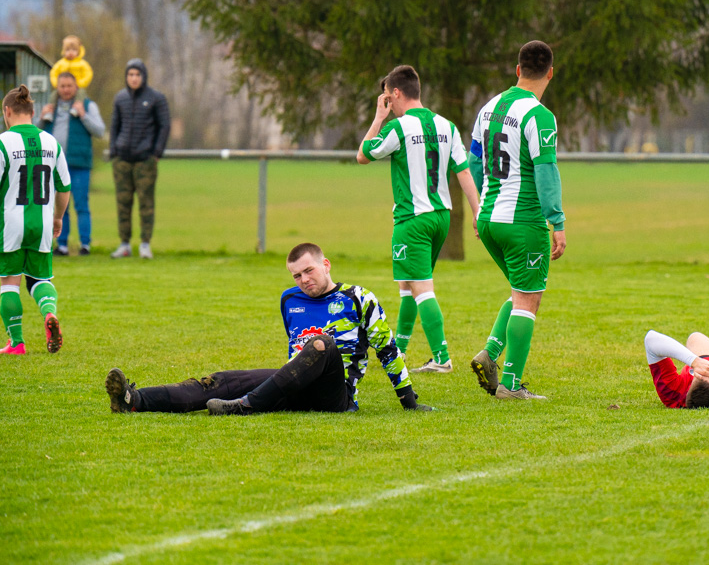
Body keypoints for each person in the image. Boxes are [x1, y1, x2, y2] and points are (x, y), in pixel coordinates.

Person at [105, 242, 433, 414]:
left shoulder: (359, 298)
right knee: (219, 381)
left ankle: (246, 407)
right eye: (297, 275)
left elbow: (388, 351)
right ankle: (134, 400)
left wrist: (409, 401)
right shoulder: (289, 300)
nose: (304, 280)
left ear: (325, 264)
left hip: (336, 395)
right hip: (292, 383)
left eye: (309, 271)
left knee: (321, 345)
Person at [356, 65, 480, 374]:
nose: (387, 103)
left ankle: (441, 358)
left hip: (412, 219)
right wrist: (477, 213)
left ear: (395, 93)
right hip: (441, 217)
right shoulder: (447, 126)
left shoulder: (398, 128)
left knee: (422, 286)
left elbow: (363, 154)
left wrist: (378, 119)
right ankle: (400, 349)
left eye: (387, 97)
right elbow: (463, 172)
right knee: (408, 282)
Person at [467, 40, 566, 400]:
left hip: (490, 219)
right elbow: (546, 171)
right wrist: (557, 221)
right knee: (529, 299)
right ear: (550, 73)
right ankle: (510, 384)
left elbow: (474, 162)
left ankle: (490, 354)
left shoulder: (488, 108)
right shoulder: (540, 115)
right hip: (522, 223)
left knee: (519, 292)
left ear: (517, 69)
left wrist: (479, 210)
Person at [0, 85, 71, 355]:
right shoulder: (51, 142)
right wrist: (58, 218)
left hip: (10, 225)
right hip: (41, 223)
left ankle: (16, 343)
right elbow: (64, 186)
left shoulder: (3, 143)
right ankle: (49, 313)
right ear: (32, 112)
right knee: (40, 279)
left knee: (8, 282)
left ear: (7, 112)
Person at [109, 58, 170, 259]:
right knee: (123, 204)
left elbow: (164, 126)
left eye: (137, 75)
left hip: (145, 161)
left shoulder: (156, 98)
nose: (134, 78)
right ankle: (124, 244)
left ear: (143, 76)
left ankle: (145, 244)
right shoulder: (120, 98)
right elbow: (115, 126)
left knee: (146, 204)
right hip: (122, 160)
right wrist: (114, 152)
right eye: (130, 75)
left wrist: (156, 153)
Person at [38, 72, 106, 256]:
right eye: (62, 86)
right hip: (54, 166)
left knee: (81, 205)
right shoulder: (51, 108)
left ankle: (85, 244)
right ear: (57, 88)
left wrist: (83, 115)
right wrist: (42, 118)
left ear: (76, 87)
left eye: (69, 86)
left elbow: (100, 131)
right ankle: (62, 245)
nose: (66, 90)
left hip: (79, 164)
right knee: (60, 207)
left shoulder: (87, 106)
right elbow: (36, 133)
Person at [46, 35, 93, 112]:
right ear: (64, 51)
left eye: (74, 50)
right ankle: (50, 111)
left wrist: (80, 83)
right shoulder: (60, 63)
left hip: (77, 87)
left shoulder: (82, 64)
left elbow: (88, 74)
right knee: (53, 95)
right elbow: (53, 73)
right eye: (68, 50)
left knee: (81, 94)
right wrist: (56, 84)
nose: (70, 52)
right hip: (62, 88)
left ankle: (76, 108)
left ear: (79, 51)